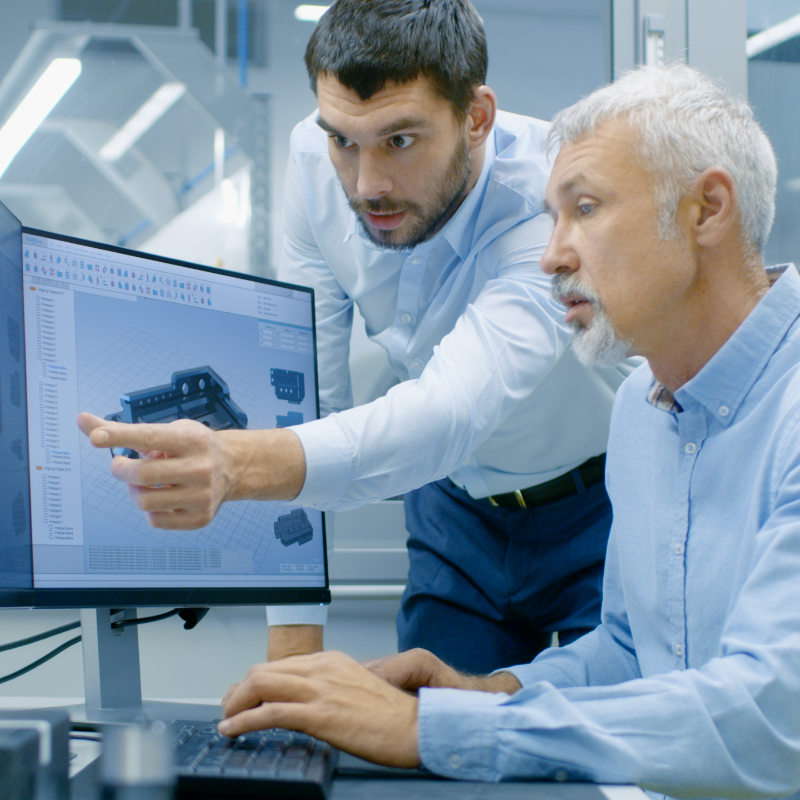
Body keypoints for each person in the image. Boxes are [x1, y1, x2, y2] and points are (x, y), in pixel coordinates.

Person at [216, 63, 800, 798]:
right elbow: (627, 651)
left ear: (707, 209)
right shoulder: (644, 413)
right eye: (553, 216)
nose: (552, 255)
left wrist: (432, 730)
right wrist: (484, 691)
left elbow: (771, 720)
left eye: (585, 209)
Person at [78, 0, 627, 673]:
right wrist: (293, 654)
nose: (368, 186)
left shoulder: (551, 200)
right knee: (434, 744)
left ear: (476, 118)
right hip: (452, 511)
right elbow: (303, 395)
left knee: (596, 752)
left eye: (400, 141)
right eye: (344, 140)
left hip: (595, 513)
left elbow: (451, 410)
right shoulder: (313, 160)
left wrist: (240, 467)